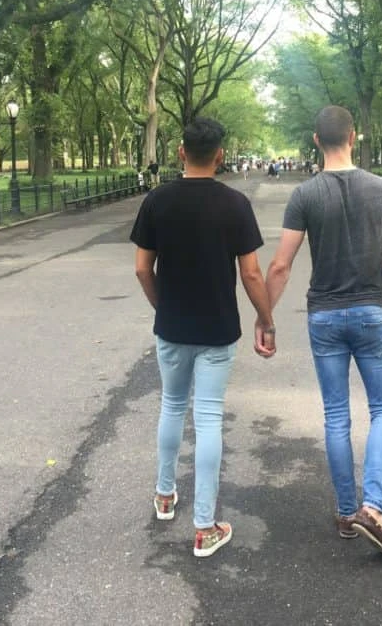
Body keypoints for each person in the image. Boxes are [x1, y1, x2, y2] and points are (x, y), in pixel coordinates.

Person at [265, 105, 382, 557]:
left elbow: (281, 264)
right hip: (371, 311)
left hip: (325, 316)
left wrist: (265, 317)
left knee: (335, 415)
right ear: (354, 137)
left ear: (316, 141)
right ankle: (373, 506)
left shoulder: (305, 195)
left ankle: (347, 513)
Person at [131, 116, 276, 558]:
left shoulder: (157, 200)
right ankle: (204, 526)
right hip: (217, 328)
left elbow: (142, 267)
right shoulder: (234, 205)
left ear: (179, 152)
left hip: (172, 326)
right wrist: (266, 319)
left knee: (172, 407)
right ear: (220, 155)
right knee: (209, 417)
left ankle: (164, 494)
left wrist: (163, 307)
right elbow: (250, 272)